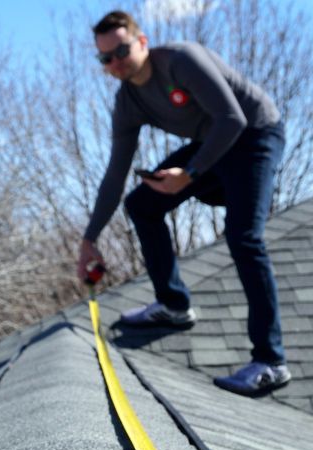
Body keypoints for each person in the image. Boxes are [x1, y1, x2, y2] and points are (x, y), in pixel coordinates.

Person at [76, 10, 290, 397]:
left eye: (121, 51)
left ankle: (270, 362)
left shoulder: (181, 60)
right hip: (211, 145)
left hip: (254, 135)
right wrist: (90, 238)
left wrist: (188, 174)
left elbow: (232, 119)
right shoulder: (127, 101)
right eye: (105, 58)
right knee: (142, 204)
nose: (115, 63)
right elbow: (115, 172)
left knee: (243, 237)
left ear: (142, 42)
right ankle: (173, 305)